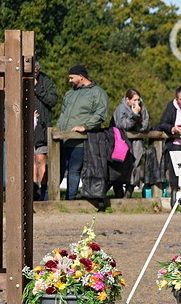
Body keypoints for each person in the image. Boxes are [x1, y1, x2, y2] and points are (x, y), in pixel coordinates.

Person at [55, 64, 109, 200]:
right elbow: (63, 114)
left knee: (74, 170)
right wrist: (57, 130)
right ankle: (49, 199)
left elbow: (101, 114)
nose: (70, 81)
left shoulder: (97, 92)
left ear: (81, 76)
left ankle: (70, 200)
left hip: (80, 140)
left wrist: (85, 126)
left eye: (71, 78)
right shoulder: (70, 94)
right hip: (63, 139)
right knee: (57, 170)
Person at [156, 86, 181, 200]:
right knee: (175, 168)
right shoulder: (171, 107)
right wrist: (173, 129)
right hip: (176, 142)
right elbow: (163, 123)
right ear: (177, 100)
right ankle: (174, 191)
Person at [111, 89, 149, 198]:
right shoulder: (120, 108)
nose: (137, 102)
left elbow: (145, 126)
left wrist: (135, 126)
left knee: (135, 167)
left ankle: (128, 196)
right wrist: (134, 115)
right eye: (134, 100)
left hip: (137, 142)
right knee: (120, 167)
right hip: (121, 142)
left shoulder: (142, 108)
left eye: (138, 99)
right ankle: (118, 195)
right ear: (127, 100)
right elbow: (123, 125)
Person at [32, 58, 60, 201]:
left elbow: (53, 101)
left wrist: (37, 88)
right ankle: (32, 190)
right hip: (27, 126)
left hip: (42, 127)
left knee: (41, 158)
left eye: (36, 71)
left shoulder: (46, 81)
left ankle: (43, 191)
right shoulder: (19, 78)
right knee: (30, 160)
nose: (34, 73)